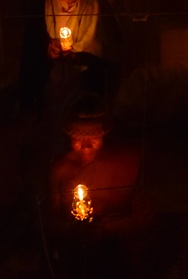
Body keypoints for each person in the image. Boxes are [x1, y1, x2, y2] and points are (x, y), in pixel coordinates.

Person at [48, 95, 150, 277]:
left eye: (93, 136)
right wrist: (72, 230)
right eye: (78, 137)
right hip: (74, 251)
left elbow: (145, 217)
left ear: (104, 133)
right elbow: (51, 220)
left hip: (117, 249)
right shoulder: (60, 169)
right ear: (69, 135)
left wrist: (105, 229)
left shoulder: (127, 162)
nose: (86, 145)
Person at [21, 0, 118, 116]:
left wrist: (80, 56)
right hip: (53, 75)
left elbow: (113, 46)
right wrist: (48, 46)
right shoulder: (40, 0)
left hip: (88, 76)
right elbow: (31, 45)